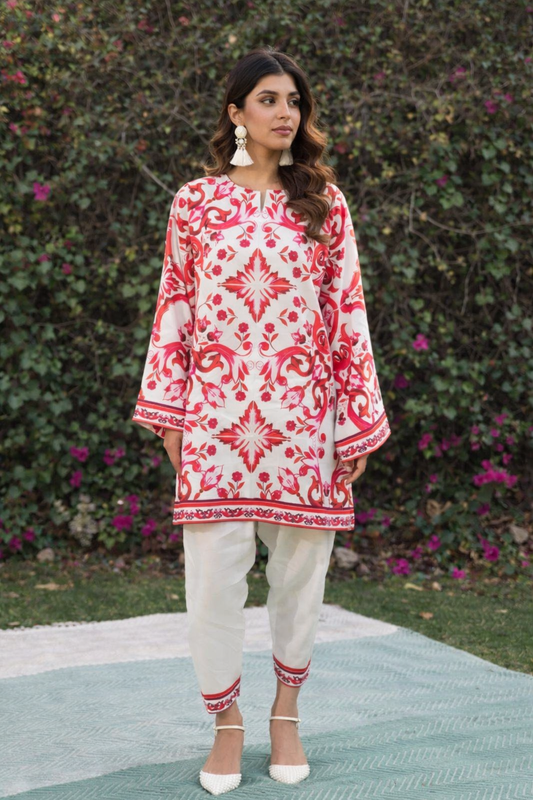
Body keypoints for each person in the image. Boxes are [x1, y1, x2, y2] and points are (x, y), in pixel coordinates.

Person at [132, 46, 391, 795]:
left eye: (294, 101)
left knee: (299, 576)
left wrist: (354, 420)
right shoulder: (195, 202)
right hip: (214, 419)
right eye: (269, 100)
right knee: (212, 582)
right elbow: (174, 310)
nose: (286, 113)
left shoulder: (324, 204)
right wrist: (170, 416)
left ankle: (285, 715)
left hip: (304, 417)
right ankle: (226, 724)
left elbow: (347, 314)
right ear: (237, 113)